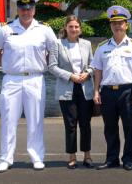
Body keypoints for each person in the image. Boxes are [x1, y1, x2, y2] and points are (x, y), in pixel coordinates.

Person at [0, 0, 58, 173]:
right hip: (12, 79)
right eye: (22, 9)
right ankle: (5, 158)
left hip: (35, 78)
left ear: (34, 10)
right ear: (17, 10)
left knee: (35, 119)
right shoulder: (6, 29)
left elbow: (53, 51)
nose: (26, 12)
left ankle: (36, 157)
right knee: (8, 119)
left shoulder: (44, 29)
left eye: (29, 9)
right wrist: (6, 63)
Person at [92, 6, 132, 171]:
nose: (117, 26)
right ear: (110, 25)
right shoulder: (102, 47)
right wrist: (96, 91)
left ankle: (128, 159)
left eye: (120, 23)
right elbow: (98, 71)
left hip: (127, 91)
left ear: (126, 25)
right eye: (114, 23)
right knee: (109, 127)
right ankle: (112, 158)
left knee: (129, 127)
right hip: (107, 91)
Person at [48, 15, 95, 169]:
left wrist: (87, 72)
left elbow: (93, 64)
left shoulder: (86, 44)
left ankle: (87, 155)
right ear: (66, 28)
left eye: (76, 26)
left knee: (85, 123)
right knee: (70, 124)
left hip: (84, 87)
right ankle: (72, 156)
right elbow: (52, 66)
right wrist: (70, 76)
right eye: (71, 27)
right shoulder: (57, 44)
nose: (74, 29)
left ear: (80, 29)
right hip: (67, 87)